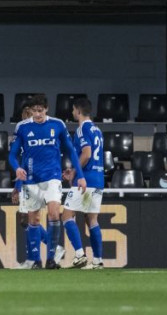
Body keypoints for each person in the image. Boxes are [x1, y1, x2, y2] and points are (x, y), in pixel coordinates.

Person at [8, 94, 86, 269]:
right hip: (30, 179)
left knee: (53, 213)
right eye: (34, 111)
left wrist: (80, 175)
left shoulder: (57, 125)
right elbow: (13, 155)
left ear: (46, 109)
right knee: (33, 220)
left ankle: (51, 258)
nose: (37, 114)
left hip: (52, 177)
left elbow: (72, 151)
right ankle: (36, 260)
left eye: (40, 110)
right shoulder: (22, 127)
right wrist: (17, 169)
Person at [61, 98, 104, 269]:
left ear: (78, 111)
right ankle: (98, 260)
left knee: (66, 216)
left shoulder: (82, 129)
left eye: (73, 110)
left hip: (85, 181)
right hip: (98, 179)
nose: (72, 113)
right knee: (91, 219)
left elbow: (86, 154)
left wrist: (77, 174)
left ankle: (79, 254)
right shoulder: (97, 130)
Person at [11, 104, 54, 269]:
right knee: (27, 220)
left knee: (27, 219)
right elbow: (22, 163)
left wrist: (18, 185)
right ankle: (33, 258)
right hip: (27, 180)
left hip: (33, 181)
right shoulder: (22, 133)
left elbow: (26, 164)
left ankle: (52, 248)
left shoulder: (31, 134)